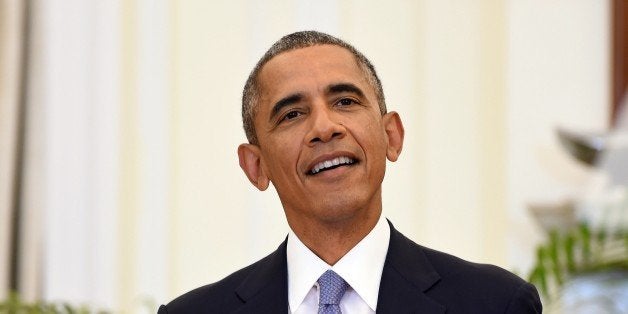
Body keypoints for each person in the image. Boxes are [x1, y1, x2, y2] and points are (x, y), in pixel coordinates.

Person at [158, 31, 542, 314]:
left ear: (391, 136)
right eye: (292, 114)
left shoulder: (494, 303)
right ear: (256, 166)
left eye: (345, 101)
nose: (325, 128)